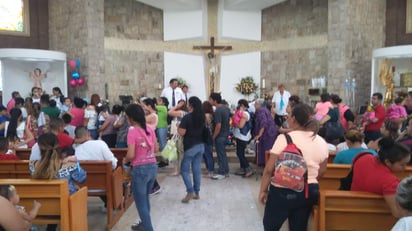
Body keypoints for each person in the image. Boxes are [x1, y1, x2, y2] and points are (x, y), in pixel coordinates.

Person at [259, 103, 329, 231]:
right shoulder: (321, 141)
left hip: (283, 189)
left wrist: (263, 190)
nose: (287, 118)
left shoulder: (284, 138)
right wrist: (306, 181)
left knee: (271, 226)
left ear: (294, 119)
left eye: (289, 116)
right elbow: (323, 170)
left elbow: (269, 169)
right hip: (309, 190)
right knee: (299, 227)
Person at [30, 133, 86, 231]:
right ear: (58, 146)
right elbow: (82, 178)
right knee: (78, 190)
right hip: (65, 206)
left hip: (41, 207)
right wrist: (75, 163)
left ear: (39, 148)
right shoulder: (69, 164)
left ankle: (51, 227)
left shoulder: (32, 166)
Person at [351, 137, 410, 218]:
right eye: (402, 164)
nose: (405, 167)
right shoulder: (390, 182)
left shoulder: (363, 157)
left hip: (352, 208)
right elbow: (397, 213)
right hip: (375, 218)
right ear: (388, 162)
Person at [123, 104, 157, 231]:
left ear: (131, 118)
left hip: (140, 168)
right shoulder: (150, 128)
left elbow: (131, 154)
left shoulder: (132, 131)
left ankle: (148, 228)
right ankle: (144, 224)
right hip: (152, 166)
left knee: (140, 202)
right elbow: (157, 148)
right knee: (145, 198)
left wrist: (125, 160)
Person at [178, 96, 206, 203]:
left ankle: (190, 191)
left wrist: (178, 126)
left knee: (184, 170)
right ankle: (197, 193)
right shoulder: (202, 117)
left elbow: (182, 132)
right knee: (196, 169)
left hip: (190, 146)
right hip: (201, 145)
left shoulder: (187, 117)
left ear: (191, 105)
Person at [209, 93, 230, 180]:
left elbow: (218, 125)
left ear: (214, 100)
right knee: (223, 154)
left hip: (220, 135)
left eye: (210, 99)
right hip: (225, 133)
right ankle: (225, 170)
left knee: (220, 154)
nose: (209, 101)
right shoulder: (226, 108)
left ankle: (222, 172)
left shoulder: (218, 110)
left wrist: (213, 136)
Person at [233, 99, 254, 178]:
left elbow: (241, 125)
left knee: (240, 153)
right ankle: (243, 168)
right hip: (240, 136)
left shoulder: (245, 114)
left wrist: (235, 124)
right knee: (239, 152)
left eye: (239, 105)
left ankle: (248, 169)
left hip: (243, 136)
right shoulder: (242, 113)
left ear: (242, 105)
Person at [254, 98, 278, 167]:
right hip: (269, 132)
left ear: (259, 104)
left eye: (255, 104)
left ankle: (267, 166)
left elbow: (264, 123)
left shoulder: (261, 111)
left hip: (268, 134)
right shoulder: (264, 109)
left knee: (266, 149)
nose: (254, 106)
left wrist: (259, 134)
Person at [202, 101, 215, 177]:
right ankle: (209, 169)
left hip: (206, 136)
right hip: (209, 136)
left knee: (208, 154)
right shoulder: (211, 114)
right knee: (207, 154)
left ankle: (210, 171)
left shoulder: (206, 115)